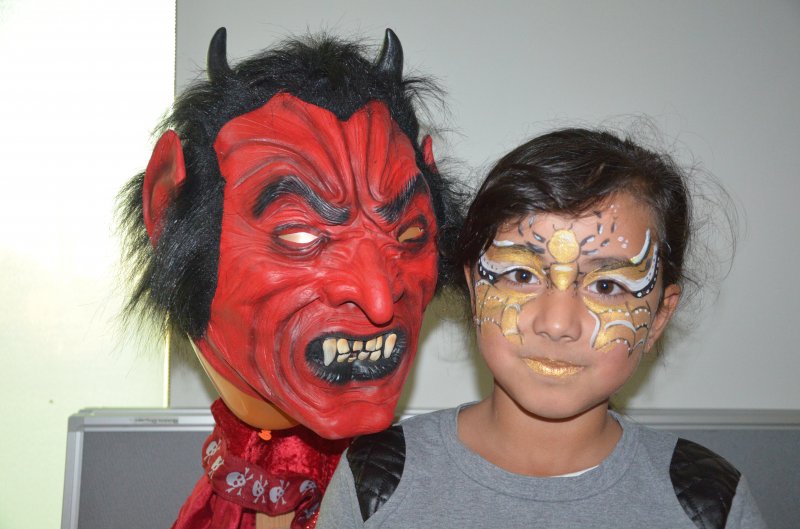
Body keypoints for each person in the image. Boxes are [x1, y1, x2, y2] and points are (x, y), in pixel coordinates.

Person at [316, 128, 766, 528]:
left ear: (659, 318)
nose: (556, 324)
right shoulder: (377, 479)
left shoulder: (707, 502)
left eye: (607, 286)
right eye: (520, 275)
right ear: (474, 289)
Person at [119, 27, 462, 529]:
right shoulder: (231, 482)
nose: (379, 299)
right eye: (301, 235)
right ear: (166, 209)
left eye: (407, 233)